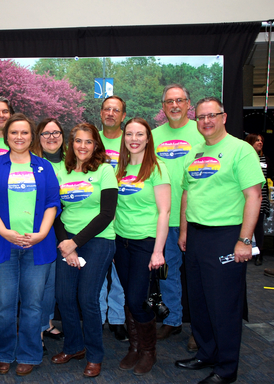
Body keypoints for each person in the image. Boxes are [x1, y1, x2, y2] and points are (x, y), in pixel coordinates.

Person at [176, 97, 264, 384]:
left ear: (224, 117)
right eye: (200, 117)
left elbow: (254, 196)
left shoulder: (241, 150)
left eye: (211, 116)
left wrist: (244, 240)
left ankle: (226, 368)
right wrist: (185, 232)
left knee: (223, 306)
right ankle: (206, 353)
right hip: (197, 236)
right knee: (199, 301)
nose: (206, 122)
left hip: (227, 236)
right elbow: (188, 194)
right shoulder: (195, 152)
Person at [0, 113, 60, 376]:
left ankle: (30, 354)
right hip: (2, 245)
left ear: (31, 136)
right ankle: (3, 353)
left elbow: (52, 203)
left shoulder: (43, 167)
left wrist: (42, 233)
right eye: (14, 132)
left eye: (25, 132)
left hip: (38, 246)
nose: (19, 137)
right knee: (3, 305)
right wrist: (4, 232)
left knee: (33, 305)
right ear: (6, 135)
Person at [52, 123, 118, 378]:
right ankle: (74, 347)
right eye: (78, 141)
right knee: (64, 296)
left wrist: (74, 243)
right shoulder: (61, 171)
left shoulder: (105, 171)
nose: (83, 146)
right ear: (71, 144)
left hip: (99, 240)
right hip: (67, 240)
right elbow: (55, 212)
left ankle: (94, 355)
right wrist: (65, 244)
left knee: (87, 298)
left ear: (96, 145)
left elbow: (106, 214)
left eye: (88, 141)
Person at [113, 118, 171, 375]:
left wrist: (158, 251)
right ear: (124, 138)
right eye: (129, 134)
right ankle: (134, 348)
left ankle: (149, 351)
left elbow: (164, 212)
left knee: (138, 299)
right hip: (120, 242)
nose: (134, 139)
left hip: (145, 242)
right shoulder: (119, 169)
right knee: (129, 297)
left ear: (148, 138)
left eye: (139, 134)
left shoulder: (157, 168)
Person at [152, 84, 204, 348]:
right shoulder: (153, 136)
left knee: (199, 277)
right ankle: (172, 321)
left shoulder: (202, 131)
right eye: (169, 101)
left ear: (188, 104)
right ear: (163, 107)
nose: (174, 105)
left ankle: (201, 329)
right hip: (163, 221)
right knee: (168, 275)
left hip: (196, 219)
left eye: (179, 100)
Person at [30, 118, 67, 353]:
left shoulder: (72, 163)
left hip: (65, 230)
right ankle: (37, 329)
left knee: (52, 283)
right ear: (38, 138)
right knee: (38, 284)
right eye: (45, 133)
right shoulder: (32, 164)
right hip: (39, 230)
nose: (51, 137)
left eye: (56, 132)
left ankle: (47, 321)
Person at [98, 96, 129, 341]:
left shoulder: (129, 141)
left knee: (119, 272)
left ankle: (117, 318)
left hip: (124, 214)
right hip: (95, 215)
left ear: (123, 115)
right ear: (101, 113)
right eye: (107, 109)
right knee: (97, 272)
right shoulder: (91, 139)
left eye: (115, 110)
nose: (110, 113)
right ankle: (97, 316)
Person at [244, 133, 274, 266]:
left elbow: (273, 173)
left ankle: (259, 253)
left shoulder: (265, 159)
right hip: (244, 198)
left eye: (261, 141)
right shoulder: (244, 157)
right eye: (257, 140)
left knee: (258, 226)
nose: (260, 142)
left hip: (260, 198)